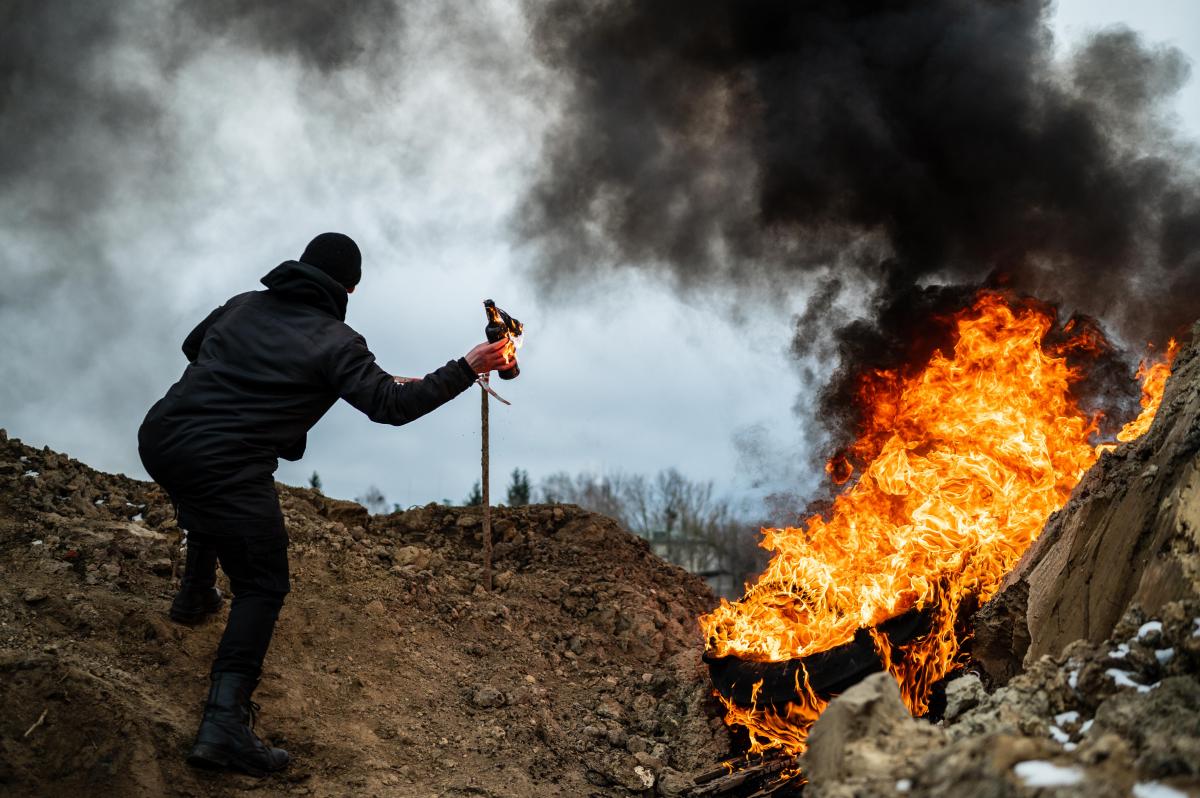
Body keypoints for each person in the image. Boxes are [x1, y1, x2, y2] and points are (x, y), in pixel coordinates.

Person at [137, 232, 510, 777]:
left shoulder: (243, 305)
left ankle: (194, 595)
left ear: (300, 266)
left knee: (209, 502)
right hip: (227, 461)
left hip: (162, 436)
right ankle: (224, 726)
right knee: (262, 584)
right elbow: (391, 405)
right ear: (350, 287)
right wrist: (468, 364)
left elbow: (194, 346)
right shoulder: (337, 343)